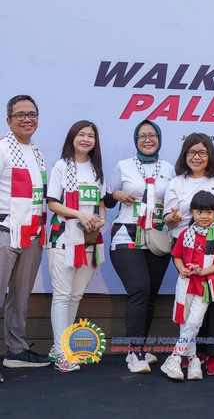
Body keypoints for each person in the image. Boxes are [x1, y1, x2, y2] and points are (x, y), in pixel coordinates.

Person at [106, 119, 175, 373]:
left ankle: (140, 348)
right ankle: (134, 353)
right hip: (127, 234)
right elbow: (107, 198)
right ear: (136, 140)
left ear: (159, 139)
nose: (148, 140)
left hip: (156, 237)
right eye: (142, 136)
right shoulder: (123, 166)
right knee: (140, 289)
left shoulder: (168, 168)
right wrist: (116, 195)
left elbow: (173, 200)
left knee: (150, 295)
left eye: (152, 135)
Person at [163, 133, 214, 376]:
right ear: (184, 155)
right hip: (186, 251)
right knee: (189, 306)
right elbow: (168, 220)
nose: (197, 157)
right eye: (192, 152)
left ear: (210, 155)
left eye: (202, 152)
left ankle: (211, 355)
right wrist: (173, 219)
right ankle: (191, 355)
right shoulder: (176, 182)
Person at [46, 120, 106, 372]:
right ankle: (62, 353)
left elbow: (100, 204)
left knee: (75, 296)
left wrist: (100, 220)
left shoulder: (96, 169)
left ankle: (62, 347)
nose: (85, 139)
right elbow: (52, 203)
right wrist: (80, 214)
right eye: (81, 134)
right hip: (63, 238)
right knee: (61, 296)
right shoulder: (61, 166)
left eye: (90, 136)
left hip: (89, 241)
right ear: (72, 137)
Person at [0, 95, 51, 381]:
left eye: (32, 114)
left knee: (19, 299)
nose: (27, 119)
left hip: (31, 236)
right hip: (4, 233)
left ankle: (16, 352)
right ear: (9, 120)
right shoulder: (2, 148)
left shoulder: (37, 152)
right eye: (20, 115)